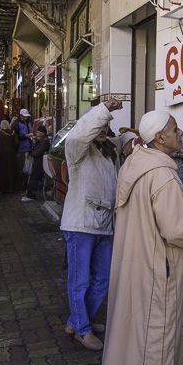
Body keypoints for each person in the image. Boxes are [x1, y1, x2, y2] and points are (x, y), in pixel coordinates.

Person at [98, 110, 183, 365]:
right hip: (158, 267)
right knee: (157, 333)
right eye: (174, 129)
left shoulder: (135, 163)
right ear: (159, 138)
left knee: (137, 332)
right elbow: (178, 230)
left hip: (134, 263)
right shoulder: (164, 175)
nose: (179, 132)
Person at [60, 98, 123, 351]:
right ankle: (82, 329)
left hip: (105, 225)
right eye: (99, 125)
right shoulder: (77, 149)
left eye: (106, 126)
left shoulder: (108, 151)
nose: (103, 130)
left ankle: (76, 319)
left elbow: (125, 140)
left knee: (102, 280)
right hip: (80, 226)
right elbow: (79, 135)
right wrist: (104, 109)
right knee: (80, 281)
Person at [23, 125, 50, 201]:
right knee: (33, 177)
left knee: (34, 178)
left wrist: (31, 152)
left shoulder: (44, 142)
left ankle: (31, 196)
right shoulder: (41, 140)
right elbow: (34, 150)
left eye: (38, 132)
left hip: (40, 163)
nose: (37, 133)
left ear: (42, 133)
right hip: (37, 162)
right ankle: (30, 195)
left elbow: (36, 153)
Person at [0, 120, 19, 193]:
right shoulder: (13, 133)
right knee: (11, 171)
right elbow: (16, 143)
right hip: (11, 155)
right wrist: (14, 151)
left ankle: (2, 188)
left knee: (2, 171)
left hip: (1, 156)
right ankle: (11, 188)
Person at [15, 109, 34, 190]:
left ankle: (26, 184)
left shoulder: (28, 123)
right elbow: (15, 137)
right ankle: (20, 185)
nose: (25, 118)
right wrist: (25, 136)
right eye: (24, 116)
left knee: (27, 168)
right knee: (21, 168)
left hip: (28, 148)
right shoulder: (16, 124)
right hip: (20, 149)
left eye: (26, 117)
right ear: (21, 115)